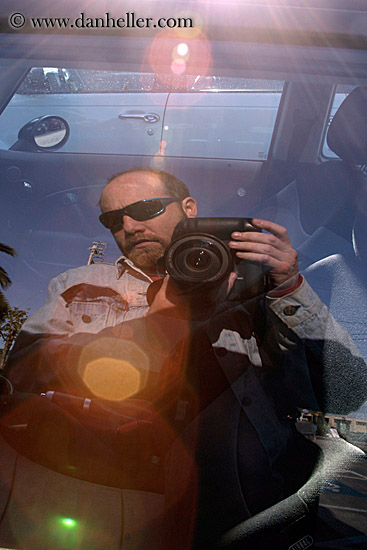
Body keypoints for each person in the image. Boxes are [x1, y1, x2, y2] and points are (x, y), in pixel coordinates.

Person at [4, 168, 367, 548]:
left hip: (247, 517)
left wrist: (290, 287)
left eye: (145, 208)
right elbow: (21, 374)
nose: (128, 225)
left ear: (189, 208)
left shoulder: (254, 285)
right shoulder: (78, 285)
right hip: (107, 503)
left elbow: (345, 392)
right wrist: (160, 322)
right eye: (112, 219)